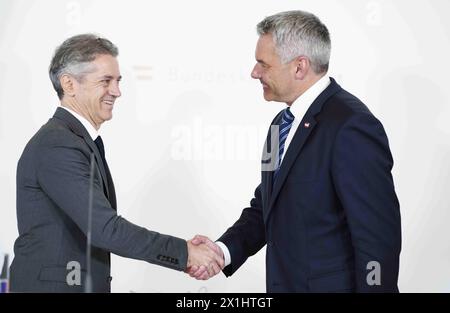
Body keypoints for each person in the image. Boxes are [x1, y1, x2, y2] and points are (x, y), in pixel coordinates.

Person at [189, 10, 401, 292]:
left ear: (299, 67)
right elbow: (267, 205)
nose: (254, 73)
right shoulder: (281, 124)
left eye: (263, 64)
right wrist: (222, 251)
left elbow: (377, 238)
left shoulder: (351, 125)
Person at [10, 34, 223, 293]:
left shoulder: (75, 140)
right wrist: (185, 253)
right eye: (105, 81)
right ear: (69, 84)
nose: (117, 91)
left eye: (118, 81)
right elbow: (105, 229)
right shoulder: (58, 144)